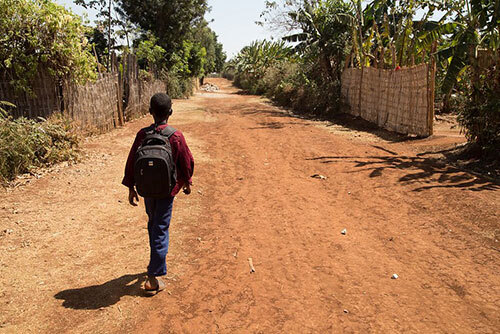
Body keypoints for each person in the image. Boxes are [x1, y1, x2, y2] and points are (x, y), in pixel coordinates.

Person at [122, 93, 194, 295]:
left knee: (154, 223)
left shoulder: (142, 135)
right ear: (170, 112)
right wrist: (187, 182)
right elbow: (186, 162)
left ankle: (154, 262)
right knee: (161, 227)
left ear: (150, 112)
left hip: (147, 190)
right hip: (167, 190)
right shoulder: (175, 136)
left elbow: (131, 162)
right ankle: (153, 278)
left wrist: (131, 187)